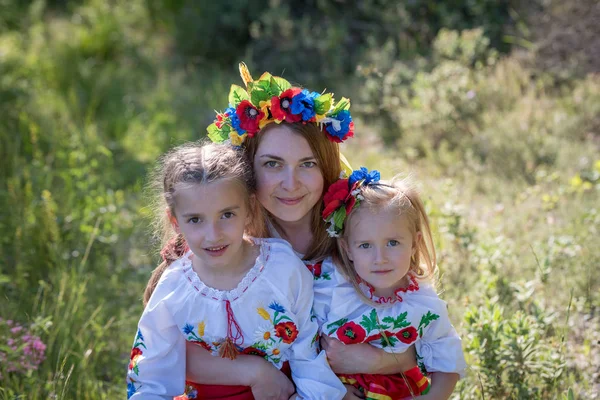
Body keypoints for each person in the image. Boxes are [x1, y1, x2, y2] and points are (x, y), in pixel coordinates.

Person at [144, 63, 418, 399]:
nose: (291, 184)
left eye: (307, 164)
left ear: (326, 166)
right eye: (272, 164)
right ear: (246, 170)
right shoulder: (218, 238)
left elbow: (421, 321)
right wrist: (255, 371)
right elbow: (167, 346)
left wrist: (381, 360)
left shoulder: (361, 225)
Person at [126, 142, 347, 399]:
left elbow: (307, 356)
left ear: (249, 209)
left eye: (227, 214)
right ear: (175, 222)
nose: (213, 235)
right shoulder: (172, 289)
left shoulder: (282, 268)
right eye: (195, 219)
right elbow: (150, 378)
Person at [314, 168, 467, 399]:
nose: (380, 258)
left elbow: (446, 356)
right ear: (347, 248)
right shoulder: (333, 287)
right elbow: (306, 347)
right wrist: (333, 391)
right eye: (365, 245)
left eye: (393, 243)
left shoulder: (424, 303)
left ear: (415, 243)